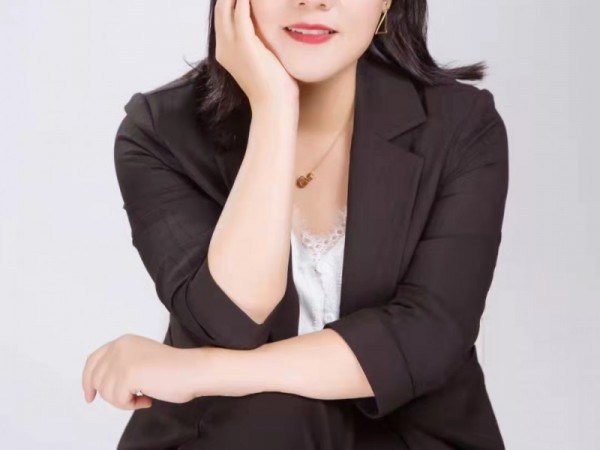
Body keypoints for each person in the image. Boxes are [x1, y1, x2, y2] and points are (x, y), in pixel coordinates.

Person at [82, 0, 510, 448]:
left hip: (410, 435)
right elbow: (229, 323)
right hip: (232, 436)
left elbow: (428, 333)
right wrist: (273, 109)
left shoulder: (460, 124)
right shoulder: (160, 132)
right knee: (269, 418)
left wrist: (201, 371)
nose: (315, 1)